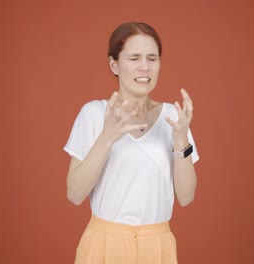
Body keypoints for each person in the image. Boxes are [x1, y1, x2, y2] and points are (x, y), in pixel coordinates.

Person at [64, 21, 199, 264]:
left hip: (157, 247)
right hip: (104, 246)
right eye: (134, 58)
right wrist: (107, 137)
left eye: (152, 58)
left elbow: (186, 197)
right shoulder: (94, 114)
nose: (145, 67)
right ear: (114, 64)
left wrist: (181, 142)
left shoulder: (174, 118)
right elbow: (74, 193)